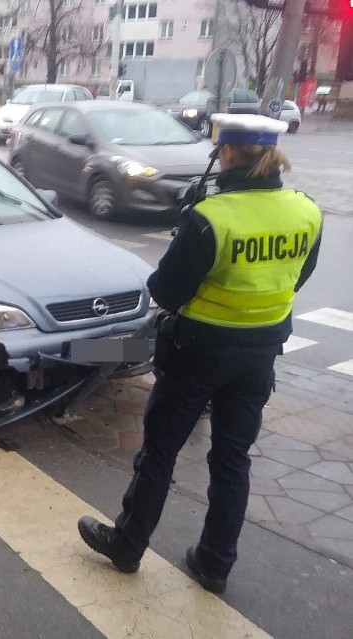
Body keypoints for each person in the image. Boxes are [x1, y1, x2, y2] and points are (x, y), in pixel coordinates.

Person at [77, 113, 323, 594]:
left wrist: (184, 238)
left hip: (200, 353)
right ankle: (214, 563)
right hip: (261, 355)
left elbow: (166, 291)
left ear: (227, 153)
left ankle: (128, 545)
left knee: (160, 452)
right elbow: (300, 274)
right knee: (232, 458)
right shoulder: (306, 210)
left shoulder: (211, 218)